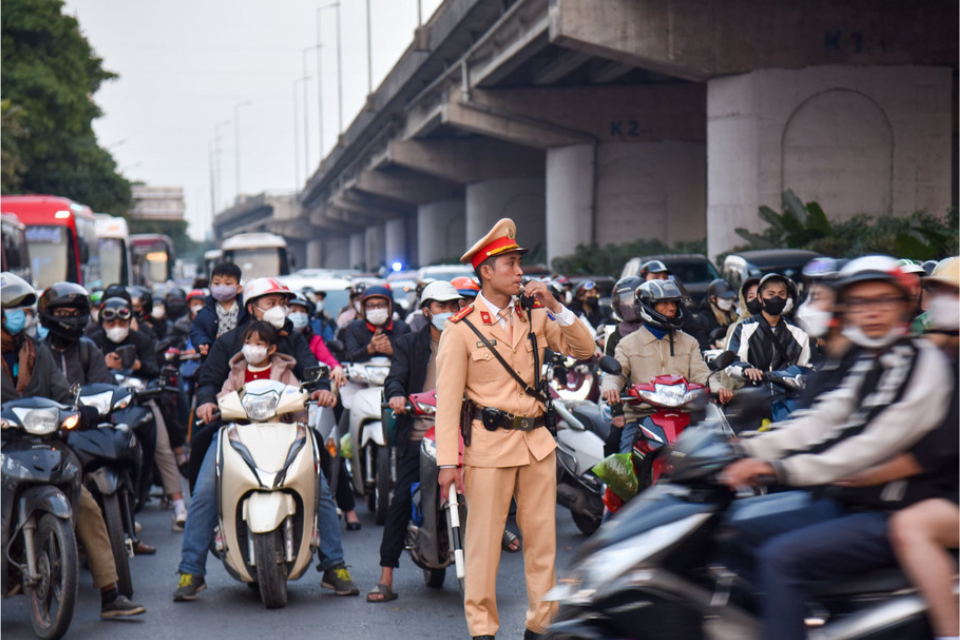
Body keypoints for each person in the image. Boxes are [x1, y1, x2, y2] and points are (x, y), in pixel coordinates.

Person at [718, 256, 953, 640]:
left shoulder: (919, 361)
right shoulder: (874, 360)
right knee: (732, 530)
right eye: (861, 302)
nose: (872, 312)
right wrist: (748, 448)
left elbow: (873, 443)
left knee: (781, 560)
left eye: (883, 300)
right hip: (854, 501)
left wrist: (781, 470)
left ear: (902, 304)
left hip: (894, 509)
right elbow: (822, 418)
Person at [435, 218, 596, 640]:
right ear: (485, 271)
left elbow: (586, 349)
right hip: (488, 449)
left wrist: (557, 306)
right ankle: (483, 630)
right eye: (510, 263)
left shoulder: (537, 317)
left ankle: (540, 628)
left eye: (519, 263)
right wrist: (447, 463)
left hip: (537, 445)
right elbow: (448, 404)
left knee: (543, 545)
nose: (520, 271)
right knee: (484, 548)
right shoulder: (461, 329)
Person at [176, 277, 358, 602]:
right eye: (271, 302)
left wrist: (320, 390)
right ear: (252, 307)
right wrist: (206, 401)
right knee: (205, 490)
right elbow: (209, 379)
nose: (280, 309)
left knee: (321, 489)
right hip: (235, 430)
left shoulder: (293, 341)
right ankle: (192, 570)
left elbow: (312, 371)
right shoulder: (228, 342)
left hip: (287, 427)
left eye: (283, 303)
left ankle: (334, 565)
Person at [0, 272, 146, 619]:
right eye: (14, 309)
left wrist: (83, 413)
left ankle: (110, 593)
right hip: (4, 446)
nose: (22, 315)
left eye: (24, 308)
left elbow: (63, 394)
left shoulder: (36, 351)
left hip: (43, 445)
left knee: (86, 506)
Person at [367, 281, 464, 603]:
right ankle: (386, 577)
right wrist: (396, 395)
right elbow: (395, 376)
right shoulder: (409, 343)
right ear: (426, 311)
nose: (448, 313)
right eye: (441, 307)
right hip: (420, 435)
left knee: (491, 495)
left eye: (454, 306)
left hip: (464, 435)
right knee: (399, 503)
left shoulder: (471, 342)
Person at [89, 296, 188, 529]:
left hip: (140, 399)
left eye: (120, 323)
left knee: (162, 447)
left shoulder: (141, 340)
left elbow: (154, 369)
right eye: (110, 323)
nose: (115, 328)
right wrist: (104, 364)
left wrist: (137, 366)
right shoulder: (92, 343)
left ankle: (178, 504)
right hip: (106, 403)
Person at [601, 280, 733, 455]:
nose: (671, 308)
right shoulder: (627, 344)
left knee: (714, 463)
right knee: (625, 473)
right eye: (664, 303)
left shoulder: (689, 342)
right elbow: (616, 374)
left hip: (685, 415)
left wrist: (717, 388)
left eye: (674, 303)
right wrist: (611, 388)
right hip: (642, 416)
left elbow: (701, 373)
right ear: (647, 306)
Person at [724, 273, 811, 385]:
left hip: (788, 396)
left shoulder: (799, 333)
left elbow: (807, 368)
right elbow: (733, 362)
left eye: (781, 294)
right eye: (771, 294)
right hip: (757, 396)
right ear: (760, 298)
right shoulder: (743, 328)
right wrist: (747, 369)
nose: (776, 298)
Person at [37, 282, 113, 386]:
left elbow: (101, 388)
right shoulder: (36, 352)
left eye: (76, 313)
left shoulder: (89, 351)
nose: (71, 318)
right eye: (63, 313)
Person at [340, 285, 410, 362]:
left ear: (390, 307)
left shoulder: (402, 328)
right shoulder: (353, 328)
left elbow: (411, 358)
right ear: (364, 308)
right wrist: (369, 349)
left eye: (381, 305)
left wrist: (393, 351)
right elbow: (349, 357)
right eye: (371, 306)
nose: (376, 309)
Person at [190, 262, 246, 358]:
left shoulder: (246, 309)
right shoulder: (206, 311)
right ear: (210, 286)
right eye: (217, 283)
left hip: (242, 357)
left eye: (228, 283)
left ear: (238, 288)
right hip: (215, 356)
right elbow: (197, 330)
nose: (221, 287)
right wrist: (203, 342)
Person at [603, 276, 643, 358]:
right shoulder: (615, 337)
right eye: (623, 302)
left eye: (631, 300)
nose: (628, 306)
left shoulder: (655, 330)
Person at [694, 278, 739, 348]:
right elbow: (696, 342)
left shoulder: (735, 316)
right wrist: (708, 346)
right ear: (713, 299)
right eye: (725, 298)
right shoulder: (702, 319)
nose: (729, 301)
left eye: (731, 298)